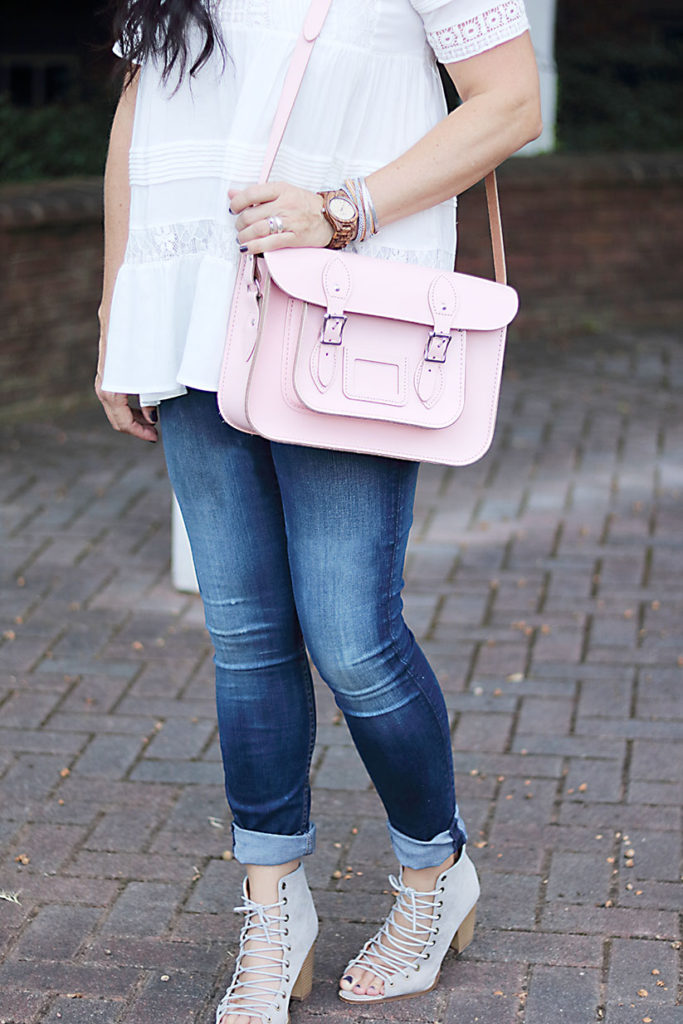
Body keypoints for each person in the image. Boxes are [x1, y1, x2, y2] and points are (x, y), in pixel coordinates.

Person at [97, 2, 541, 1021]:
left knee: (350, 637)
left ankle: (433, 875)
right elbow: (141, 101)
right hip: (189, 300)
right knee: (244, 634)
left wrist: (344, 209)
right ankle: (272, 906)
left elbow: (508, 101)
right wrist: (119, 303)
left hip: (344, 312)